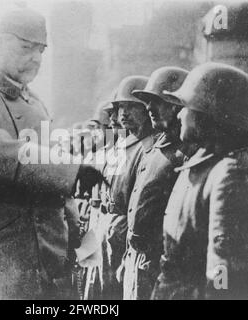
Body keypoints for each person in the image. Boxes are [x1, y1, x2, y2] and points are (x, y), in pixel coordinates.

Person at [0, 8, 102, 300]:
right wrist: (69, 171)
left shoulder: (36, 103)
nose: (35, 58)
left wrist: (75, 231)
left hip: (41, 250)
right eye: (26, 48)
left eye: (41, 50)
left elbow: (54, 179)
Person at [152, 62, 248, 300]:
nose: (179, 114)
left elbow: (224, 267)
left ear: (208, 114)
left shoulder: (231, 173)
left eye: (186, 106)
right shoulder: (201, 164)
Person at [116, 66, 188, 300]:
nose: (149, 108)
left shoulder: (185, 153)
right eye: (147, 102)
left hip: (160, 267)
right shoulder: (151, 150)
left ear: (177, 106)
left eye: (157, 102)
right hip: (138, 262)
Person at [84, 75, 156, 300]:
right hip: (110, 228)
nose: (121, 115)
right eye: (120, 107)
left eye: (131, 107)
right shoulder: (122, 146)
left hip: (125, 233)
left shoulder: (146, 147)